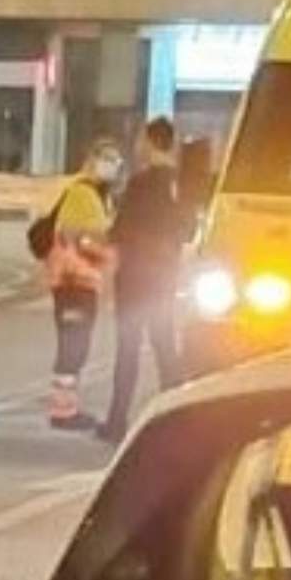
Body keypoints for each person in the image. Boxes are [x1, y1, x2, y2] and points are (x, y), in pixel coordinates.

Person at [101, 118, 187, 445]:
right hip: (165, 276)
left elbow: (121, 229)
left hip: (137, 278)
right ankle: (179, 419)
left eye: (141, 140)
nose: (138, 146)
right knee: (166, 349)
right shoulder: (181, 184)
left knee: (128, 350)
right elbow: (187, 229)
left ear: (151, 142)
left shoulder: (141, 184)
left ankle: (116, 421)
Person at [42, 138, 120, 432]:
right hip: (73, 281)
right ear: (93, 158)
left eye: (115, 161)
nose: (112, 165)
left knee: (77, 344)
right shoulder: (81, 192)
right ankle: (63, 412)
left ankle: (67, 407)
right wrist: (107, 250)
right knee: (72, 345)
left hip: (82, 281)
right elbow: (79, 236)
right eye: (108, 158)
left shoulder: (97, 194)